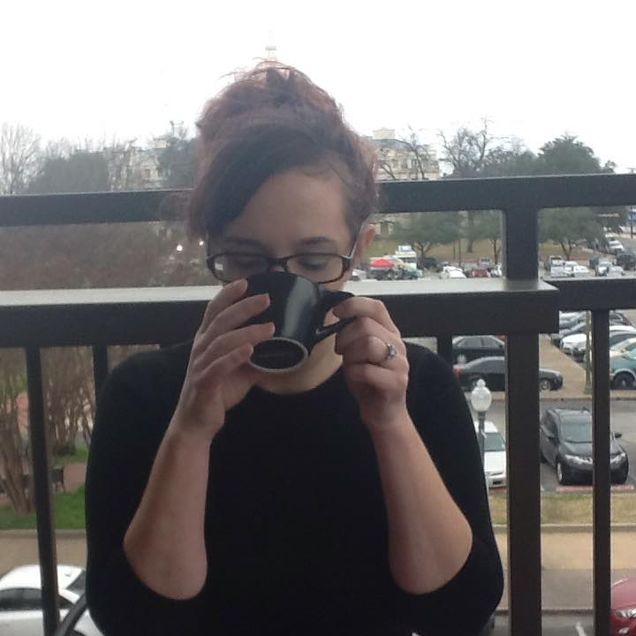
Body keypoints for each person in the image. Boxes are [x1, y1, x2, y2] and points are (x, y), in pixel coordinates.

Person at [85, 62, 503, 636]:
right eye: (246, 260)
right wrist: (191, 429)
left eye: (314, 261)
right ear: (213, 250)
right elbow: (135, 620)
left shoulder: (417, 387)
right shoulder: (145, 395)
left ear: (358, 249)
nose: (283, 285)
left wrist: (389, 420)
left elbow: (458, 609)